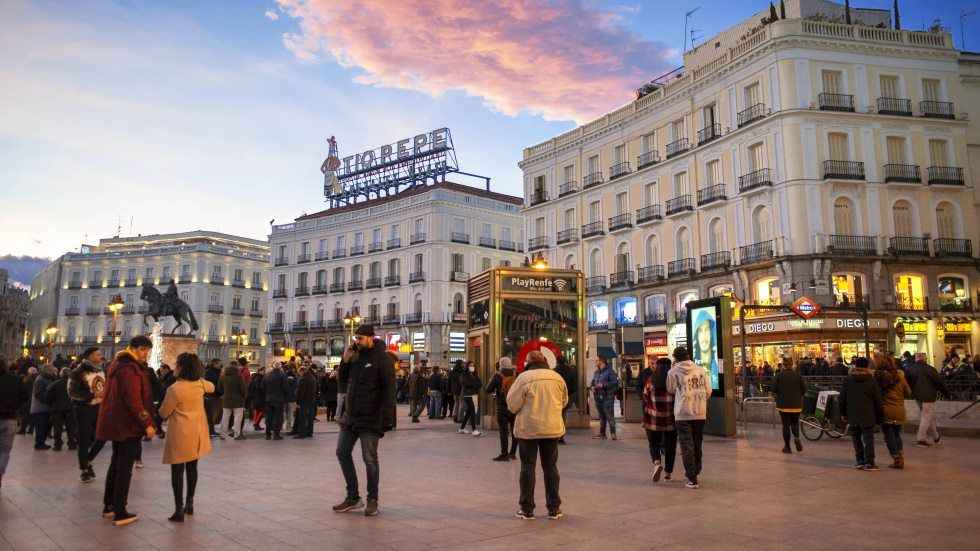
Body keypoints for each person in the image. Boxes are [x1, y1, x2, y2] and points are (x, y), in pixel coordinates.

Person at [333, 324, 395, 517]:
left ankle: (372, 500)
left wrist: (387, 418)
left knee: (369, 459)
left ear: (370, 338)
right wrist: (345, 360)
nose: (357, 342)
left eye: (360, 339)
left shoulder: (382, 358)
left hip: (371, 417)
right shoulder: (356, 357)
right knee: (342, 452)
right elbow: (342, 381)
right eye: (355, 339)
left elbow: (389, 390)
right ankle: (353, 497)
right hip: (351, 416)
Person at [96, 336, 157, 526]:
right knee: (124, 468)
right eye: (142, 349)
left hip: (117, 421)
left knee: (116, 463)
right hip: (128, 424)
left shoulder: (118, 364)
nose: (145, 353)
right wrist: (147, 422)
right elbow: (133, 400)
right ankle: (120, 510)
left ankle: (109, 505)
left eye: (148, 349)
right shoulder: (130, 369)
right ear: (132, 348)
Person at [506, 350, 567, 520]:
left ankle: (527, 509)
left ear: (529, 362)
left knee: (527, 467)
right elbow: (564, 401)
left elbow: (512, 404)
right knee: (550, 467)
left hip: (529, 430)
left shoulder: (524, 378)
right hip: (551, 428)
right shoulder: (557, 377)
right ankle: (554, 508)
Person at [158, 353, 212, 522]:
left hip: (180, 434)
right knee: (192, 468)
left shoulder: (174, 389)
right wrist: (200, 381)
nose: (174, 367)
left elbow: (164, 413)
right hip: (196, 432)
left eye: (176, 364)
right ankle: (190, 503)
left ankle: (178, 509)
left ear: (181, 368)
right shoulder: (200, 385)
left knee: (177, 471)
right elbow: (212, 387)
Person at [667, 347, 709, 489]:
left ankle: (692, 478)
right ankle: (696, 472)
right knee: (697, 443)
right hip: (700, 412)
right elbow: (708, 391)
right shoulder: (701, 370)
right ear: (689, 355)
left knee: (686, 445)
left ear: (676, 358)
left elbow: (671, 390)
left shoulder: (672, 372)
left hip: (682, 413)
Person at [69, 347, 106, 483]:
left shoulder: (101, 371)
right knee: (84, 440)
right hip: (84, 409)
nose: (100, 356)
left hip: (100, 408)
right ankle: (84, 470)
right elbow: (72, 393)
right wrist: (92, 395)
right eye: (98, 354)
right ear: (89, 356)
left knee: (103, 436)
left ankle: (88, 460)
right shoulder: (78, 372)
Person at [840, 357, 883, 471]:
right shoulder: (871, 380)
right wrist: (880, 416)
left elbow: (842, 398)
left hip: (852, 413)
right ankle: (869, 462)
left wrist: (843, 413)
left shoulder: (848, 380)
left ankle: (860, 460)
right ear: (867, 366)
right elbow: (877, 400)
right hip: (868, 414)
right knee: (868, 438)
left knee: (856, 437)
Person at [641, 357, 676, 483]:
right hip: (670, 419)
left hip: (653, 418)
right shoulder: (673, 382)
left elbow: (645, 397)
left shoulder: (650, 381)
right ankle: (668, 474)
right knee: (670, 446)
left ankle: (657, 462)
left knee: (653, 442)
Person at [906, 352, 949, 448]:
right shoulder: (930, 369)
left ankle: (936, 437)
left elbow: (907, 383)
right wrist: (946, 393)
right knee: (926, 416)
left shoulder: (910, 369)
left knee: (927, 415)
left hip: (917, 396)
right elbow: (939, 383)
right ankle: (920, 440)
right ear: (925, 359)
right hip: (928, 396)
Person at [875, 355, 911, 469]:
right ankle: (900, 457)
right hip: (899, 409)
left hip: (885, 410)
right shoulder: (900, 377)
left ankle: (896, 458)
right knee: (896, 434)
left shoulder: (878, 378)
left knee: (888, 435)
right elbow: (908, 393)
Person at [0, 358, 31, 491]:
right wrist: (14, 406)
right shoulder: (16, 380)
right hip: (10, 419)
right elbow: (25, 398)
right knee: (5, 450)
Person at [486, 357, 518, 461]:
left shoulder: (498, 375)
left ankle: (504, 454)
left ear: (501, 365)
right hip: (515, 407)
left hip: (502, 407)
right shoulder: (516, 374)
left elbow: (488, 390)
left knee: (503, 432)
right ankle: (513, 453)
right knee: (515, 431)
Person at [772, 358, 806, 454]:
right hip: (796, 404)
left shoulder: (779, 375)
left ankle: (787, 447)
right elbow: (804, 389)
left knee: (786, 424)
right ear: (792, 365)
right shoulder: (798, 376)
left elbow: (773, 388)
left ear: (783, 365)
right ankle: (796, 437)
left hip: (784, 404)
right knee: (795, 423)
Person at [46, 367, 77, 451]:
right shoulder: (73, 384)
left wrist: (51, 405)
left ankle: (58, 444)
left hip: (57, 408)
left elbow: (48, 396)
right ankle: (71, 443)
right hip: (69, 408)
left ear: (61, 374)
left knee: (57, 427)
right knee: (70, 427)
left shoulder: (55, 384)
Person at [589, 355, 618, 440]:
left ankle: (613, 433)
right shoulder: (596, 372)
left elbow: (614, 383)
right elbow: (592, 383)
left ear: (601, 361)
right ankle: (602, 433)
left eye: (597, 360)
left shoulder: (610, 372)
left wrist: (603, 385)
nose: (596, 362)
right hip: (598, 396)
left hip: (607, 396)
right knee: (601, 416)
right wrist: (592, 387)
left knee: (609, 415)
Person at [30, 365, 57, 450]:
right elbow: (38, 394)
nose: (52, 372)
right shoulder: (40, 380)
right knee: (41, 426)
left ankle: (42, 442)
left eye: (52, 371)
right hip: (40, 408)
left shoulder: (50, 379)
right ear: (45, 371)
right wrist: (49, 400)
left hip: (46, 407)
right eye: (50, 371)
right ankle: (39, 443)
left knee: (46, 426)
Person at [218, 361, 247, 440]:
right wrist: (242, 396)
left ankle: (222, 435)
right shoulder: (238, 376)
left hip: (226, 399)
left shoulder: (223, 376)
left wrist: (224, 394)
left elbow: (219, 389)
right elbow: (243, 389)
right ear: (236, 366)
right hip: (237, 400)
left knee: (225, 418)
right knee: (237, 418)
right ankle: (237, 435)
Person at [553, 356, 577, 445]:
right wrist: (567, 393)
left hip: (555, 396)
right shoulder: (571, 371)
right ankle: (561, 437)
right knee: (563, 417)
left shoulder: (553, 371)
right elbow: (574, 387)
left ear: (557, 362)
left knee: (554, 416)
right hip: (564, 397)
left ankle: (554, 435)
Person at [262, 363, 287, 440]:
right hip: (279, 400)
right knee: (278, 417)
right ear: (280, 368)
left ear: (273, 367)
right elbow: (285, 388)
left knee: (269, 417)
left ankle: (268, 434)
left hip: (268, 399)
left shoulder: (266, 376)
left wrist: (267, 395)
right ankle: (276, 434)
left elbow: (262, 388)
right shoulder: (282, 376)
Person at [457, 361, 482, 436]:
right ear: (467, 366)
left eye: (473, 365)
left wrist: (473, 383)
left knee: (468, 411)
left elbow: (479, 384)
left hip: (474, 394)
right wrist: (474, 383)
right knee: (472, 410)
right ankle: (474, 429)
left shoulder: (474, 374)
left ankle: (462, 428)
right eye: (471, 365)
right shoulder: (463, 374)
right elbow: (465, 383)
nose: (472, 367)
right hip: (467, 395)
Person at [294, 364, 317, 438]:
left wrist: (298, 401)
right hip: (312, 400)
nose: (299, 374)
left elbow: (300, 392)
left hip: (304, 401)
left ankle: (301, 434)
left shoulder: (303, 379)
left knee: (302, 418)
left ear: (302, 371)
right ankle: (309, 432)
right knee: (310, 418)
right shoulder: (313, 377)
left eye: (299, 372)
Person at [202, 359, 223, 438]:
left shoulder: (217, 371)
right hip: (211, 395)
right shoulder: (209, 372)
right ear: (214, 364)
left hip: (215, 395)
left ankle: (211, 430)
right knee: (210, 414)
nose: (220, 365)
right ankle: (208, 431)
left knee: (213, 414)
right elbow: (211, 382)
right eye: (219, 364)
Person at [248, 366, 266, 430]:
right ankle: (256, 423)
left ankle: (256, 425)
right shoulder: (259, 378)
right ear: (259, 371)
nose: (265, 372)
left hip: (256, 397)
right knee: (262, 410)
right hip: (259, 397)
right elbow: (259, 387)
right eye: (263, 371)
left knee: (258, 411)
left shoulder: (256, 377)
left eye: (265, 371)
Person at [284, 365, 298, 435]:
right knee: (290, 413)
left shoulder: (284, 380)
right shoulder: (295, 381)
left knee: (283, 413)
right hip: (291, 399)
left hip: (284, 399)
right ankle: (289, 426)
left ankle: (280, 425)